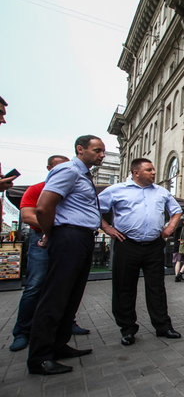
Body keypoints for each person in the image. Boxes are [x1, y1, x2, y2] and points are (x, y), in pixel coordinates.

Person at [27, 135, 105, 375]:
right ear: (80, 149)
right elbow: (43, 206)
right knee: (55, 296)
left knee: (71, 295)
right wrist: (51, 233)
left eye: (103, 151)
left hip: (81, 237)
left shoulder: (84, 175)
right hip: (68, 236)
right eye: (97, 150)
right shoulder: (68, 170)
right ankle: (39, 357)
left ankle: (58, 345)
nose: (102, 155)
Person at [10, 155, 91, 352]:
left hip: (65, 242)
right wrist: (53, 229)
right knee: (35, 286)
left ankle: (65, 327)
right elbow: (30, 214)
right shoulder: (38, 189)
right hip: (42, 242)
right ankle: (22, 331)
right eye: (58, 167)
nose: (64, 170)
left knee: (65, 286)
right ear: (49, 169)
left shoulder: (75, 185)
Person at [99, 158, 182, 346]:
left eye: (153, 169)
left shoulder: (162, 192)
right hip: (127, 244)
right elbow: (94, 209)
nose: (154, 172)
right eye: (149, 169)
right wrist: (107, 228)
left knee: (157, 287)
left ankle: (163, 326)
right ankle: (127, 329)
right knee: (124, 287)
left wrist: (169, 228)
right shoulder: (116, 190)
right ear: (136, 172)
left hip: (154, 245)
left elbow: (176, 211)